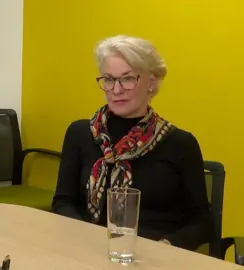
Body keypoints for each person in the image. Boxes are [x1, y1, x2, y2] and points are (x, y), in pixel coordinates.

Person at [52, 35, 214, 251]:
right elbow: (63, 203)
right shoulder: (80, 133)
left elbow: (202, 223)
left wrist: (164, 247)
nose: (116, 90)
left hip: (155, 256)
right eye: (109, 79)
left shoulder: (181, 143)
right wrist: (88, 239)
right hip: (88, 251)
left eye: (127, 79)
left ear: (151, 83)